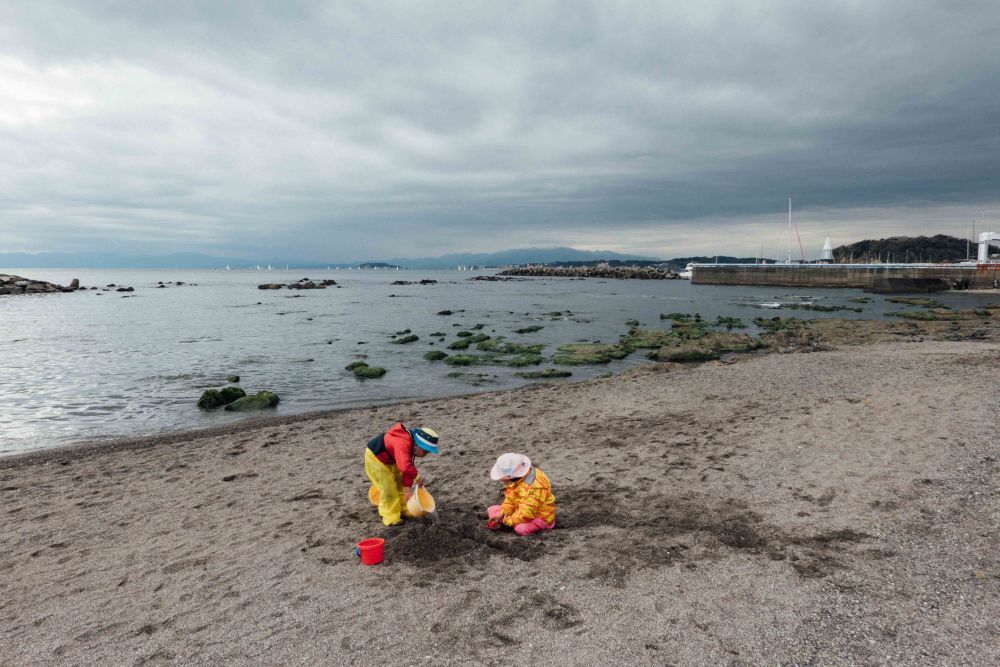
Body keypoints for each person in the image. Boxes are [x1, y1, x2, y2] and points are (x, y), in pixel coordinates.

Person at [365, 423, 439, 526]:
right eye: (425, 452)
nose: (425, 455)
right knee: (388, 489)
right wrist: (416, 477)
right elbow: (405, 466)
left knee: (399, 483)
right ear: (419, 445)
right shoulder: (403, 443)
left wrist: (408, 488)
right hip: (376, 459)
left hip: (392, 459)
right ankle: (390, 517)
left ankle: (403, 508)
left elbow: (406, 469)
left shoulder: (412, 445)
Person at [486, 453, 556, 535]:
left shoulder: (534, 488)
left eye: (503, 478)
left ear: (510, 476)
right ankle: (510, 519)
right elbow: (510, 498)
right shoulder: (517, 479)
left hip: (540, 516)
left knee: (521, 529)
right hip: (521, 507)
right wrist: (502, 513)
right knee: (491, 510)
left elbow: (526, 514)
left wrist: (507, 521)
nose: (501, 480)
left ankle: (544, 526)